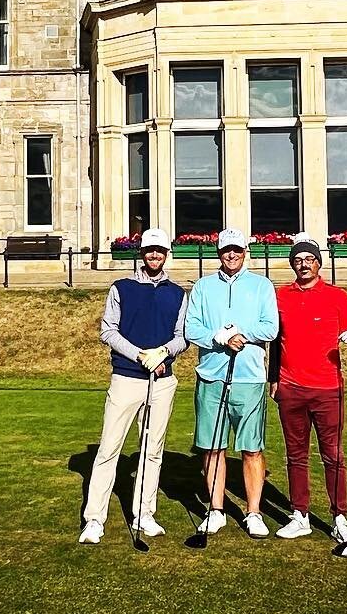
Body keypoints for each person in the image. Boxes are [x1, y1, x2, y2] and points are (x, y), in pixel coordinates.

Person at [78, 228, 189, 545]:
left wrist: (165, 352)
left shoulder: (178, 293)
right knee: (108, 449)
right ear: (141, 253)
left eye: (160, 251)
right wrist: (141, 355)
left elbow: (183, 335)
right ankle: (94, 519)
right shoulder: (121, 288)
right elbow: (108, 331)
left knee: (152, 452)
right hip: (127, 377)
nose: (155, 255)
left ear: (167, 254)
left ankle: (144, 514)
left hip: (162, 381)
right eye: (150, 250)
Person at [269, 234, 347, 545]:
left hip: (327, 389)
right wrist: (274, 380)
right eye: (297, 261)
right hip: (291, 387)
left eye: (308, 260)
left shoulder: (338, 297)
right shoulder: (281, 296)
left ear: (318, 263)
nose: (303, 265)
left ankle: (339, 517)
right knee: (296, 455)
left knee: (333, 456)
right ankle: (300, 515)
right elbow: (275, 341)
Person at [184, 227, 279, 539]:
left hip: (249, 378)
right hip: (211, 375)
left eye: (237, 249)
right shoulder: (202, 287)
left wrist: (241, 333)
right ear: (218, 252)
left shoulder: (262, 285)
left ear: (245, 251)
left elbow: (270, 328)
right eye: (226, 249)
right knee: (212, 448)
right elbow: (191, 329)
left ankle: (253, 513)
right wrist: (219, 337)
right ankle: (215, 510)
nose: (232, 254)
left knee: (251, 449)